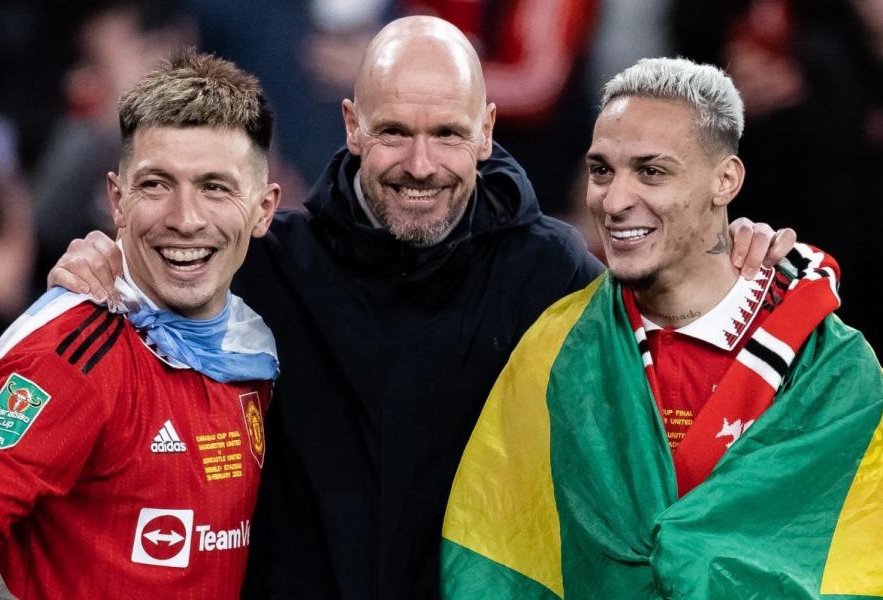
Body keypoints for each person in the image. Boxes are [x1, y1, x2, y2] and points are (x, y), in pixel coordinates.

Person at [48, 18, 795, 600]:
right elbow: (164, 266)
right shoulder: (268, 264)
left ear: (487, 131)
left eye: (446, 134)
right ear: (350, 127)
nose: (420, 164)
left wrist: (730, 256)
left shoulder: (552, 274)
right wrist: (106, 268)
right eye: (395, 133)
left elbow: (676, 365)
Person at [441, 57, 883, 599]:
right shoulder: (557, 348)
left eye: (652, 171)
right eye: (601, 171)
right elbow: (496, 555)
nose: (615, 201)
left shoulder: (831, 371)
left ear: (725, 180)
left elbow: (864, 572)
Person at [0, 50, 280, 599]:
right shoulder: (71, 355)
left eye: (215, 187)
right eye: (156, 184)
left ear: (264, 208)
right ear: (117, 200)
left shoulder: (255, 350)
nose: (185, 218)